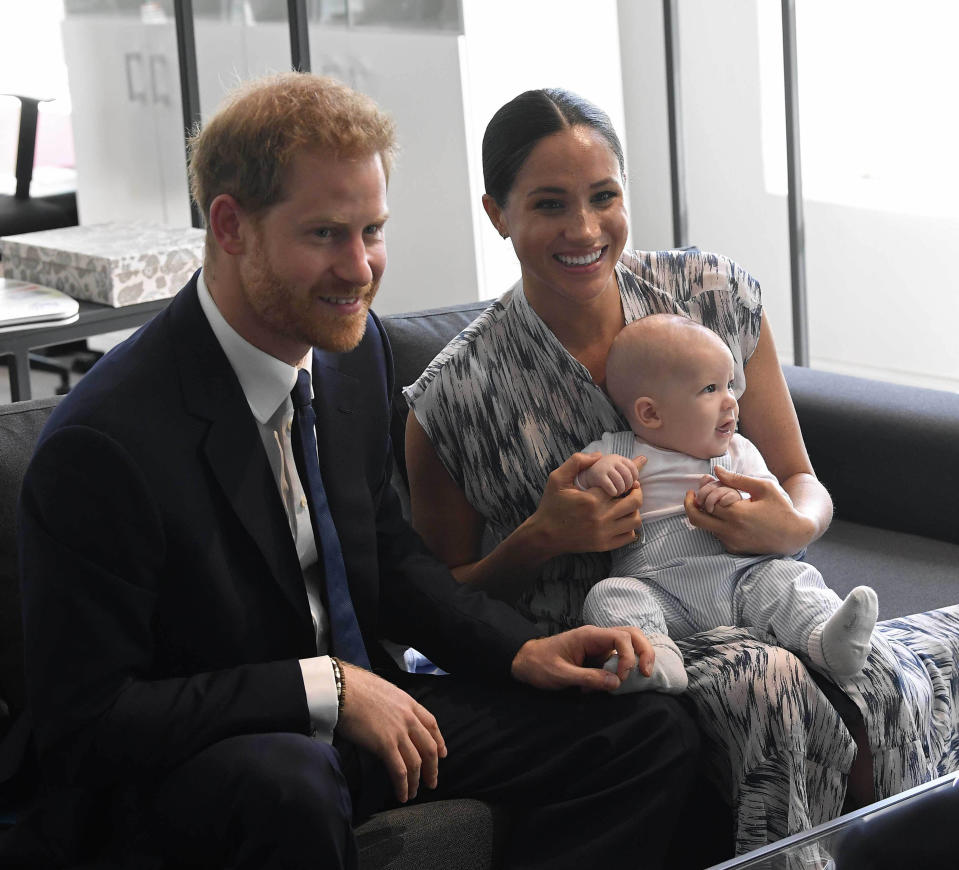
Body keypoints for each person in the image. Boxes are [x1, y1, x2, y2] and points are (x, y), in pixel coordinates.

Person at [10, 73, 702, 870]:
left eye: (372, 230)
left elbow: (385, 548)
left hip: (365, 709)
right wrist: (324, 687)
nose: (360, 267)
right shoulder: (104, 443)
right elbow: (89, 720)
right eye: (325, 235)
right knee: (291, 783)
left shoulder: (351, 354)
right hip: (209, 762)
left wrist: (518, 652)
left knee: (641, 731)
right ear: (231, 226)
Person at [404, 86, 959, 855]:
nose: (585, 229)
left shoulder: (712, 296)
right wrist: (538, 539)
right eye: (549, 205)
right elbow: (431, 609)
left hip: (758, 588)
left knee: (896, 667)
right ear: (497, 214)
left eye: (604, 197)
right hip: (627, 638)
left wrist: (792, 521)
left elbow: (804, 480)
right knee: (770, 683)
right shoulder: (455, 396)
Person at [575, 313, 878, 694]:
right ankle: (657, 659)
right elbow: (573, 483)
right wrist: (597, 475)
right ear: (650, 413)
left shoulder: (738, 452)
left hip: (744, 580)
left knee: (789, 580)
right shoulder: (616, 450)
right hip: (660, 590)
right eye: (710, 389)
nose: (731, 401)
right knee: (608, 596)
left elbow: (776, 507)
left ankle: (826, 639)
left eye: (731, 385)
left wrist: (740, 501)